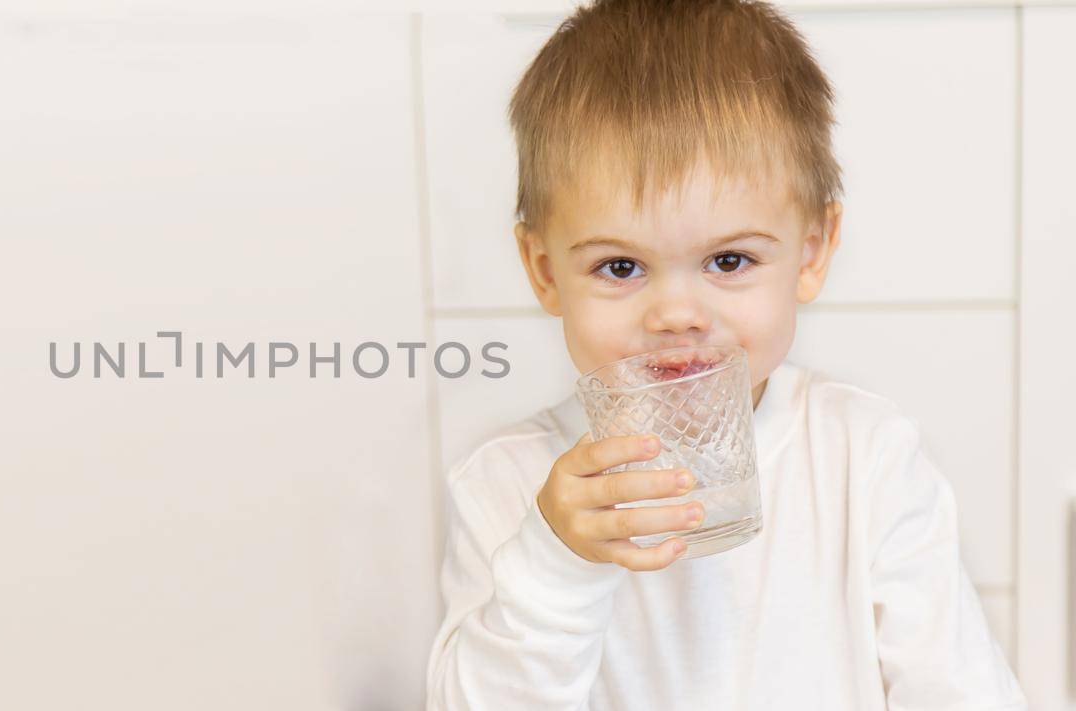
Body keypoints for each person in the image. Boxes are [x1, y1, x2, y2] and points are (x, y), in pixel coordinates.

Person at [423, 1, 1027, 708]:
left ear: (811, 252)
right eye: (620, 267)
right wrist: (558, 561)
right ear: (546, 270)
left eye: (729, 259)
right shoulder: (509, 483)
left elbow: (959, 691)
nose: (677, 314)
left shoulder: (865, 458)